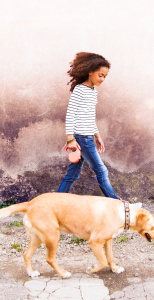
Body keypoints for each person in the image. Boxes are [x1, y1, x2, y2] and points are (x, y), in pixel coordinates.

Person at [57, 52, 140, 207]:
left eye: (105, 76)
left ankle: (53, 205)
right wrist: (70, 138)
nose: (102, 79)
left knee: (72, 175)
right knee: (101, 171)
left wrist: (98, 135)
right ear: (90, 71)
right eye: (100, 75)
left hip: (86, 137)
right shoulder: (80, 90)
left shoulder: (93, 91)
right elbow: (70, 114)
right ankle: (119, 207)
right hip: (81, 138)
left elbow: (89, 117)